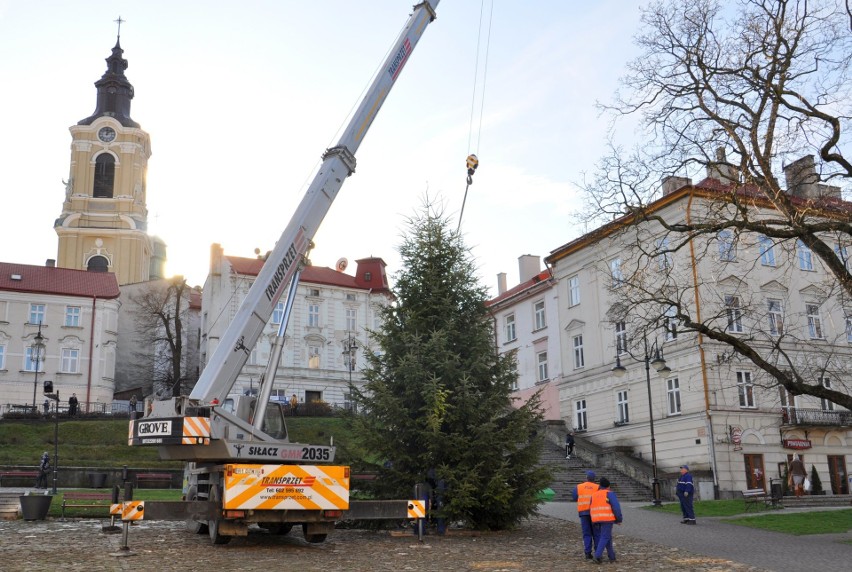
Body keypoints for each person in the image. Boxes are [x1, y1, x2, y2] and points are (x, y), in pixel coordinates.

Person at [589, 477, 622, 564]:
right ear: (608, 486)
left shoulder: (594, 495)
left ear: (600, 486)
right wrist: (618, 519)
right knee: (605, 537)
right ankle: (597, 556)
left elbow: (591, 507)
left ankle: (612, 556)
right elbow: (616, 507)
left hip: (596, 519)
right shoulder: (609, 493)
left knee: (607, 537)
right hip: (606, 518)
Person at [571, 470, 599, 559]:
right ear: (594, 479)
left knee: (586, 534)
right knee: (596, 533)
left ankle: (587, 553)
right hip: (594, 513)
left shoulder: (579, 487)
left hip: (583, 513)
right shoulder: (597, 487)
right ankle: (597, 552)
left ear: (586, 478)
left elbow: (575, 497)